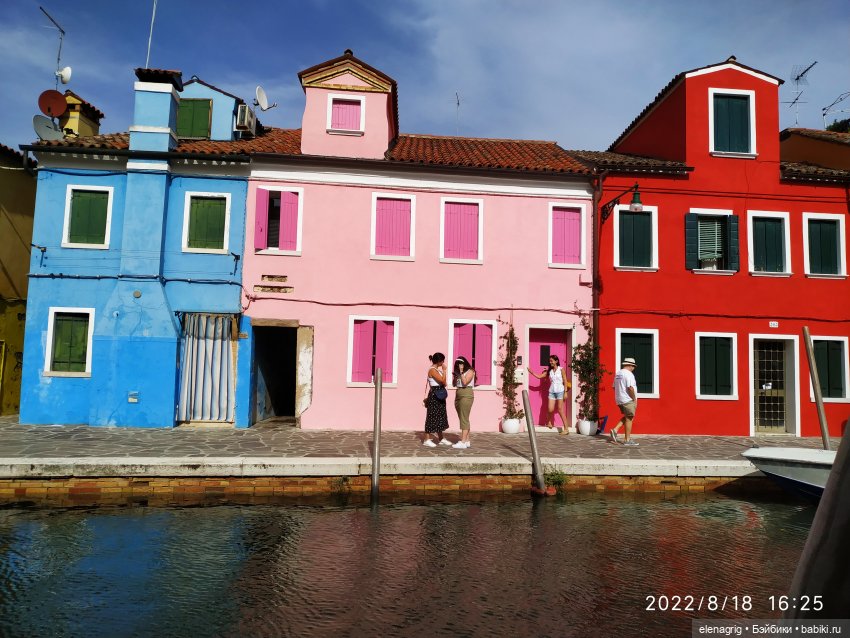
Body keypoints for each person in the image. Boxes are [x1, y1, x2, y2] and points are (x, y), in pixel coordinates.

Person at [527, 355, 572, 434]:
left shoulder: (561, 369)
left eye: (552, 361)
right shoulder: (549, 371)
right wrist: (532, 372)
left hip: (560, 391)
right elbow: (540, 376)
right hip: (552, 392)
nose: (550, 362)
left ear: (556, 361)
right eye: (550, 361)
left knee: (560, 410)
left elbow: (565, 380)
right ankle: (549, 422)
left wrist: (565, 392)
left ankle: (566, 429)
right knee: (550, 409)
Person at [422, 352, 451, 447]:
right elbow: (443, 381)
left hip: (440, 394)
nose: (443, 362)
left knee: (440, 416)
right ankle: (427, 439)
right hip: (435, 395)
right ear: (439, 361)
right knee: (432, 416)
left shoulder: (437, 370)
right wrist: (445, 371)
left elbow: (444, 382)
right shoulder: (432, 370)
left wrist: (443, 375)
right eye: (442, 360)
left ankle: (441, 438)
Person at [610, 357, 639, 446]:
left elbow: (614, 387)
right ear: (630, 365)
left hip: (619, 399)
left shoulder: (618, 373)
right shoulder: (629, 374)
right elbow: (630, 388)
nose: (634, 368)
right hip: (628, 399)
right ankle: (627, 440)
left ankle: (615, 430)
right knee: (630, 418)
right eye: (633, 366)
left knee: (628, 416)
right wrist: (634, 399)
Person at [451, 356, 476, 449]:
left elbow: (465, 382)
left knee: (464, 418)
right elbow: (454, 384)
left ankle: (463, 441)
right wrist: (455, 376)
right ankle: (467, 441)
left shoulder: (470, 371)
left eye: (460, 364)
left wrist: (461, 372)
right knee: (463, 417)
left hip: (466, 394)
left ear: (464, 363)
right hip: (458, 394)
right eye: (457, 364)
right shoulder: (458, 373)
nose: (459, 366)